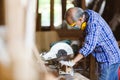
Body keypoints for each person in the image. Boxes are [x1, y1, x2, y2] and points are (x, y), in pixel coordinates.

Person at [60, 7, 120, 80]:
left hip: (109, 59)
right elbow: (87, 36)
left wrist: (72, 62)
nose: (74, 27)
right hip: (108, 57)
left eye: (73, 25)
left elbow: (88, 47)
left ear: (80, 19)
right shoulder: (87, 14)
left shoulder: (94, 24)